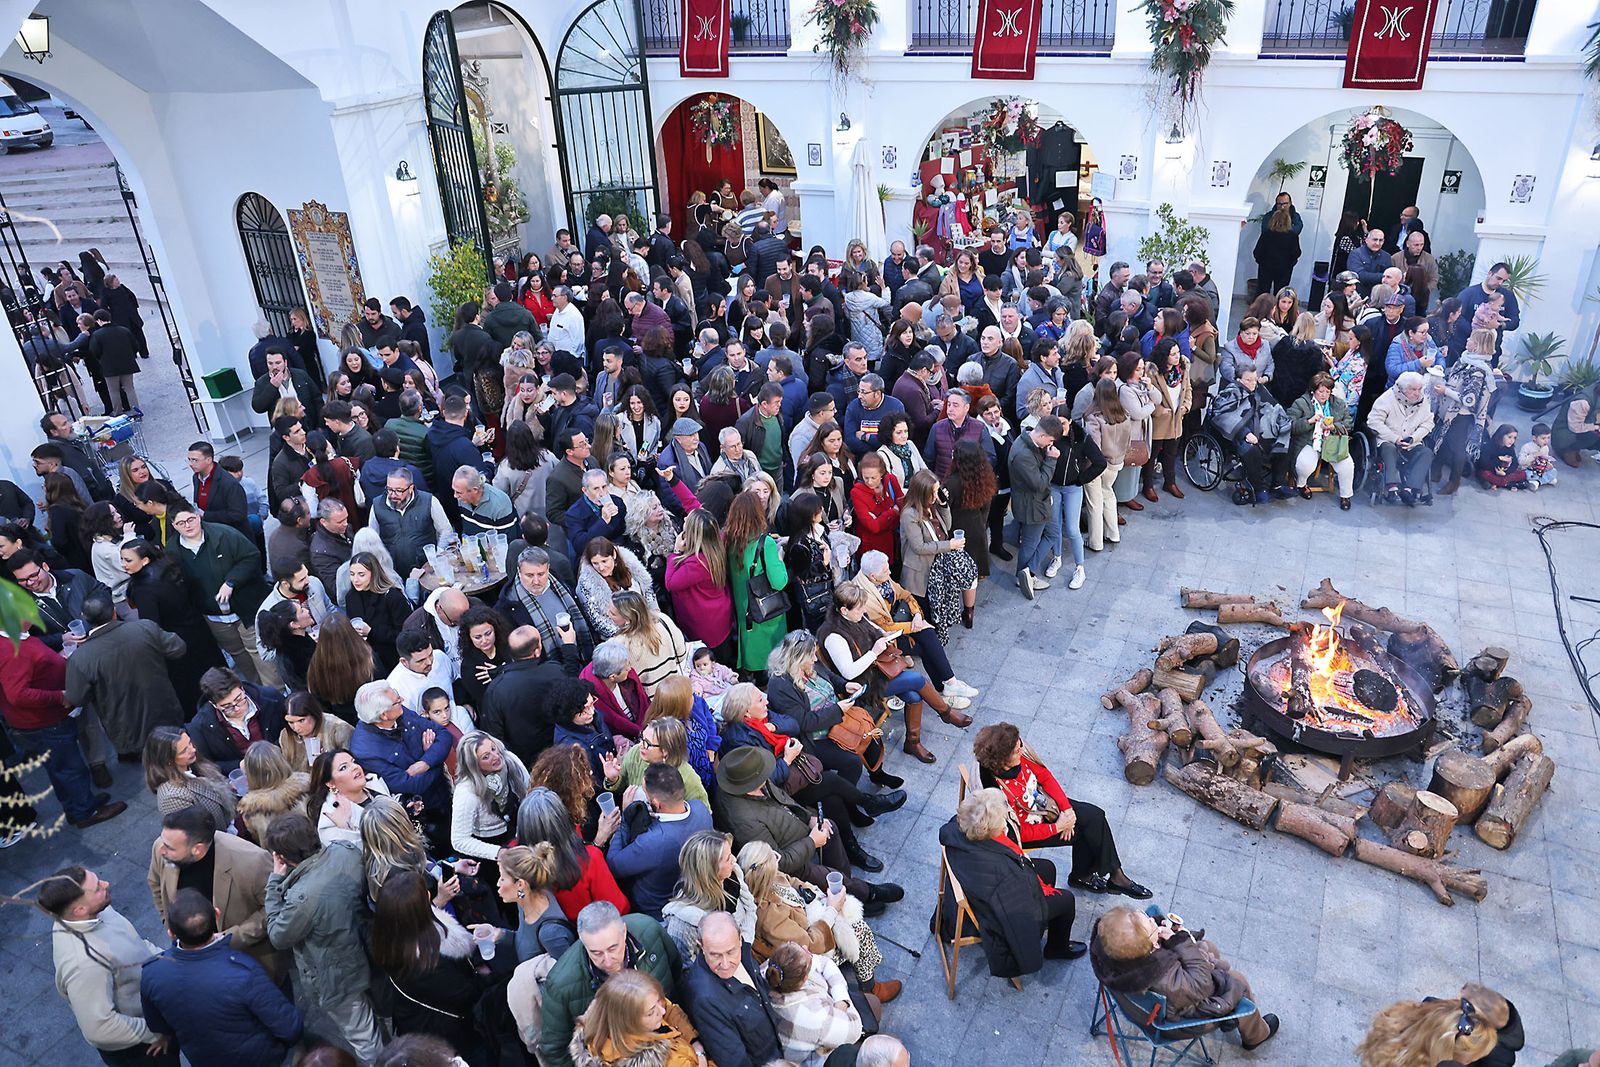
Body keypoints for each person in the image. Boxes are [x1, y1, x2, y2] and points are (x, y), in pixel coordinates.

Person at [973, 722, 1149, 897]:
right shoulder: (997, 795)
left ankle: (1114, 875)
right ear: (1003, 760)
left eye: (1020, 743)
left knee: (1095, 816)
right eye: (1016, 749)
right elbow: (1019, 832)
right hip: (1028, 830)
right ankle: (1086, 877)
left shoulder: (1019, 755)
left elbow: (1045, 776)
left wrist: (1067, 811)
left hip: (1043, 807)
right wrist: (1058, 826)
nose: (1022, 748)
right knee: (1086, 832)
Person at [263, 812, 384, 1063]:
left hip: (337, 978)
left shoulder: (301, 898)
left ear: (282, 857)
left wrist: (275, 881)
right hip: (370, 953)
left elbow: (278, 935)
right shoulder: (345, 851)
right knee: (380, 1015)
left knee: (363, 1035)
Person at [138, 883, 302, 1067]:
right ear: (216, 914)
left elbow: (158, 1025)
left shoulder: (152, 971)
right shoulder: (243, 972)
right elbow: (289, 1026)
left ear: (171, 933)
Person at [41, 865, 182, 1066]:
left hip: (154, 1016)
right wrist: (155, 1032)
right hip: (142, 1050)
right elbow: (99, 1028)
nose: (106, 884)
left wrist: (173, 963)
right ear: (79, 910)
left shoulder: (97, 910)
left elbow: (137, 944)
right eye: (98, 887)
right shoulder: (84, 963)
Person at [1092, 905, 1280, 1052]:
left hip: (1138, 1001)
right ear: (1153, 945)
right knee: (1238, 981)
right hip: (1177, 1019)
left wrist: (1163, 934)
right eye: (1151, 924)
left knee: (1208, 947)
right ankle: (1255, 1034)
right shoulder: (1163, 977)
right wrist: (1179, 941)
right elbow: (1201, 984)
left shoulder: (1107, 951)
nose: (1151, 919)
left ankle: (1215, 969)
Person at [0, 620, 126, 828]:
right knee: (69, 767)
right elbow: (18, 695)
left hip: (44, 720)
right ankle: (86, 812)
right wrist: (60, 696)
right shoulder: (10, 650)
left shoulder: (17, 637)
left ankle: (77, 805)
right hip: (43, 723)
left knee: (60, 767)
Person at [145, 805, 283, 978]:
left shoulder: (253, 862)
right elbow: (155, 882)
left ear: (197, 849)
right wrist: (170, 921)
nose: (161, 850)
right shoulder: (162, 847)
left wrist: (228, 940)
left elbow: (274, 906)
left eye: (170, 848)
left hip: (248, 960)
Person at [540, 901, 683, 1067]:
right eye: (596, 953)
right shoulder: (561, 984)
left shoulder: (649, 931)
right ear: (582, 942)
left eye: (613, 948)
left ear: (624, 932)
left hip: (674, 1044)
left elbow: (677, 974)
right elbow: (555, 1049)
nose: (607, 961)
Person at [369, 869, 488, 1056]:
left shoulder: (389, 938)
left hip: (421, 1026)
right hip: (452, 1036)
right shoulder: (426, 961)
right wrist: (487, 975)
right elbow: (465, 994)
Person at [65, 592, 186, 759]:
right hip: (165, 711)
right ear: (114, 611)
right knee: (183, 754)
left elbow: (76, 697)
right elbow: (178, 648)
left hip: (127, 729)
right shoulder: (144, 628)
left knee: (156, 769)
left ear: (84, 618)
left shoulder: (80, 658)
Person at [167, 504, 273, 686]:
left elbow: (251, 557)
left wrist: (231, 581)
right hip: (214, 617)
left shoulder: (224, 534)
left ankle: (276, 694)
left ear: (198, 516)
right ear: (174, 525)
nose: (187, 525)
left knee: (258, 652)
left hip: (245, 609)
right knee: (238, 654)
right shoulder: (172, 550)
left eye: (190, 519)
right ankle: (255, 689)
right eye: (181, 523)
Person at [683, 911, 784, 1067]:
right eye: (715, 955)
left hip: (780, 1049)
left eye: (730, 952)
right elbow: (735, 1061)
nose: (725, 964)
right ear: (701, 946)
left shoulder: (744, 952)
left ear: (740, 938)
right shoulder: (705, 999)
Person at [479, 623, 583, 765]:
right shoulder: (554, 671)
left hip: (528, 763)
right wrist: (569, 646)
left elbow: (495, 736)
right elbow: (574, 688)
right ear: (537, 650)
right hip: (564, 751)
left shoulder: (495, 690)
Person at [764, 941, 866, 1067]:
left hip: (824, 1019)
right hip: (816, 1060)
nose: (806, 947)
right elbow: (855, 1029)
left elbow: (824, 962)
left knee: (869, 1003)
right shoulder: (810, 1016)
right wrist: (842, 1000)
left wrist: (839, 998)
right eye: (803, 950)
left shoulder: (774, 968)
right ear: (805, 979)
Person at [1210, 366, 1293, 505]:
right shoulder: (1231, 393)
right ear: (1238, 380)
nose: (1253, 383)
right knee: (1250, 449)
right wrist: (1244, 433)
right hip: (1236, 435)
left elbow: (1274, 406)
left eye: (1255, 379)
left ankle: (1277, 485)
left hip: (1261, 431)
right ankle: (1259, 489)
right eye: (1248, 380)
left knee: (1285, 440)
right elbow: (1222, 415)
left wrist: (1282, 423)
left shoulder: (1259, 389)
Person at [186, 665, 290, 773]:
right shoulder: (200, 726)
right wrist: (238, 766)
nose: (237, 708)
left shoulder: (271, 699)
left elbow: (291, 730)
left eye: (239, 699)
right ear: (214, 704)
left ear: (242, 688)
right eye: (227, 706)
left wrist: (277, 749)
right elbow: (205, 765)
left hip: (284, 763)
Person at [1289, 372, 1355, 509]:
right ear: (1313, 390)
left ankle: (1345, 495)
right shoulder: (1301, 403)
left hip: (1332, 442)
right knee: (1304, 464)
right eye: (1321, 391)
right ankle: (1301, 484)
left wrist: (1334, 427)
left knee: (1347, 465)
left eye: (1327, 391)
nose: (1324, 395)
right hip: (1309, 441)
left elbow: (1348, 424)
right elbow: (1291, 426)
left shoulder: (1338, 403)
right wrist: (1309, 421)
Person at [1370, 370, 1436, 506]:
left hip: (1411, 441)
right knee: (1389, 449)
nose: (1417, 393)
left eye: (1419, 389)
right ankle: (1391, 487)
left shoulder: (1423, 400)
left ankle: (1409, 489)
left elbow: (1428, 423)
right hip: (1388, 440)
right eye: (1413, 389)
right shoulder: (1386, 399)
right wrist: (1395, 438)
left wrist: (1413, 438)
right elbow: (1374, 422)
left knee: (1426, 453)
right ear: (1402, 388)